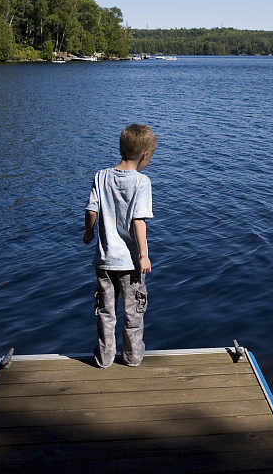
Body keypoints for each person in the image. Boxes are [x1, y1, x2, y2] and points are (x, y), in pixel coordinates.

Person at [83, 123, 156, 368]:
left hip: (104, 260)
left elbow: (91, 210)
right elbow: (138, 221)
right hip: (131, 263)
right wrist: (144, 256)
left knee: (105, 312)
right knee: (133, 312)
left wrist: (89, 232)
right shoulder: (141, 182)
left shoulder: (101, 176)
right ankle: (132, 357)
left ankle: (104, 359)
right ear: (144, 154)